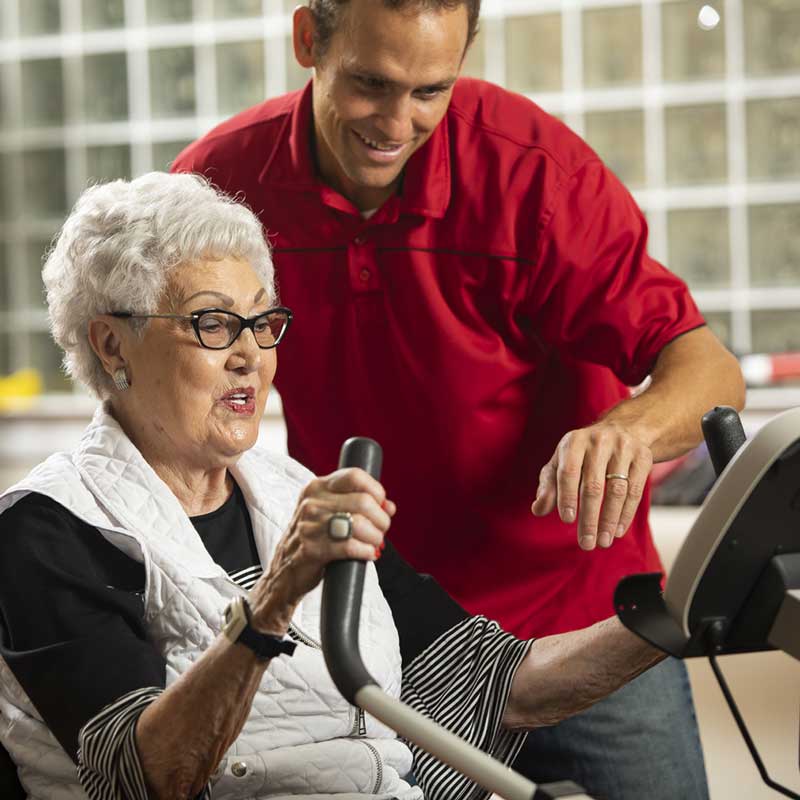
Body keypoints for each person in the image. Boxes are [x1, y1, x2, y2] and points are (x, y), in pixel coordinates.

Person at [170, 0, 746, 797]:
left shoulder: (537, 174)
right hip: (392, 622)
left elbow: (708, 370)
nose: (397, 122)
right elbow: (154, 368)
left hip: (580, 608)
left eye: (431, 90)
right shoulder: (218, 188)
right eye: (370, 83)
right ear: (309, 40)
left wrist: (631, 430)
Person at [0, 172, 668, 800]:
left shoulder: (296, 491)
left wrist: (681, 615)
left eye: (262, 324)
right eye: (212, 323)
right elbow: (142, 778)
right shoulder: (46, 529)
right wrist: (274, 601)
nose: (250, 355)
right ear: (112, 346)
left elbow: (501, 684)